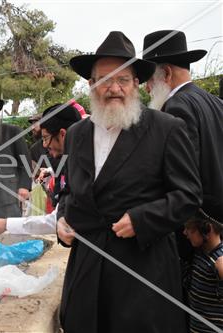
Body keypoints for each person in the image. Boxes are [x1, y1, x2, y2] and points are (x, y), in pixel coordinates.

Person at [57, 31, 201, 333]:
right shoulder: (75, 135)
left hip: (143, 276)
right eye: (104, 80)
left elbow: (188, 195)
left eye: (123, 80)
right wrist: (61, 220)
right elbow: (69, 192)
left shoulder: (166, 128)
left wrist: (142, 218)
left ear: (136, 84)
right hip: (86, 272)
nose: (114, 88)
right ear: (90, 85)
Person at [142, 30, 223, 268]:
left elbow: (182, 178)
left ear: (166, 73)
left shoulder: (176, 106)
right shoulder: (216, 102)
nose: (147, 88)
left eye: (149, 79)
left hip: (196, 234)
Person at [0, 103, 82, 236]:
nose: (44, 145)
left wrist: (7, 224)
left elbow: (57, 219)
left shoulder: (82, 168)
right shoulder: (69, 164)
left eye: (46, 138)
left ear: (63, 134)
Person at [183, 204, 223, 333]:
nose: (185, 233)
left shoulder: (220, 261)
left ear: (206, 229)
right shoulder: (200, 254)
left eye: (189, 228)